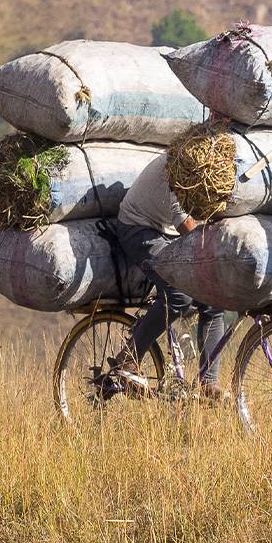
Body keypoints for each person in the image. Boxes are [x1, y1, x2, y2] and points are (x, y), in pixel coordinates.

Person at [112, 153, 229, 401]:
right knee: (179, 294)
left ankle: (208, 383)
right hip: (138, 230)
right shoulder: (175, 170)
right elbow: (186, 225)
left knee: (213, 299)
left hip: (167, 234)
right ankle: (128, 357)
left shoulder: (204, 171)